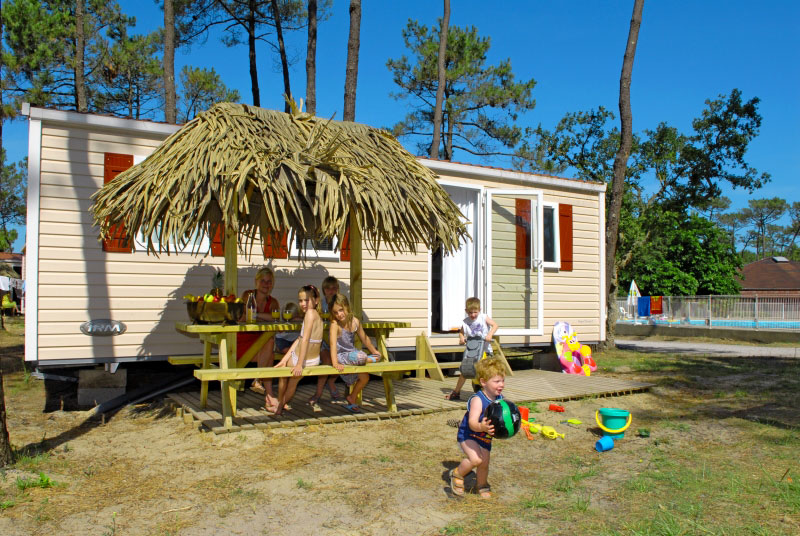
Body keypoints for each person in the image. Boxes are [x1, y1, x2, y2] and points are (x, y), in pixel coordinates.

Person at [450, 357, 505, 499]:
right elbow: (472, 423)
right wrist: (481, 426)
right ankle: (457, 474)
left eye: (503, 381)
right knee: (476, 459)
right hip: (468, 435)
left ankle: (481, 485)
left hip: (484, 437)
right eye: (497, 381)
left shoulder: (500, 399)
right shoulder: (478, 400)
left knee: (484, 463)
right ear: (483, 382)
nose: (501, 385)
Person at [269, 285, 324, 415]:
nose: (303, 304)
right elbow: (300, 339)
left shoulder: (310, 314)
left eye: (307, 300)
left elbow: (304, 340)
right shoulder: (318, 316)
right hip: (313, 360)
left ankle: (279, 405)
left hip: (301, 359)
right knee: (292, 382)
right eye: (300, 300)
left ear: (316, 300)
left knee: (283, 374)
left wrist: (299, 364)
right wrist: (284, 359)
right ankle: (281, 404)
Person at [329, 293, 380, 413]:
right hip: (341, 356)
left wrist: (374, 351)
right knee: (361, 356)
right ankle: (368, 359)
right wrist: (335, 363)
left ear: (347, 307)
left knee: (365, 377)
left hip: (351, 354)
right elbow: (332, 344)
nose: (339, 314)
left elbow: (365, 338)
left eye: (341, 310)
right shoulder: (335, 325)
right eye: (335, 312)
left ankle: (352, 397)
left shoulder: (355, 322)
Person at [238, 267, 281, 407]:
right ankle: (268, 394)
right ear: (256, 281)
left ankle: (263, 388)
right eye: (263, 281)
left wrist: (255, 315)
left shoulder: (273, 302)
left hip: (260, 342)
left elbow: (275, 319)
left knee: (269, 343)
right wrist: (262, 317)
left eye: (269, 282)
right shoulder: (248, 295)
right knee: (270, 354)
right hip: (242, 341)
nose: (266, 284)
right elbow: (243, 316)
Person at [445, 297, 498, 401]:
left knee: (487, 373)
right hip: (472, 351)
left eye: (475, 312)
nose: (473, 315)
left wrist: (490, 334)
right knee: (465, 370)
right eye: (470, 312)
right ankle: (456, 392)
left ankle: (492, 393)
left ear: (479, 310)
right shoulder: (466, 322)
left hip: (485, 350)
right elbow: (461, 332)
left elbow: (495, 325)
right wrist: (461, 338)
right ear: (466, 311)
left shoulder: (483, 317)